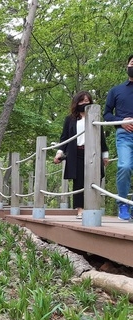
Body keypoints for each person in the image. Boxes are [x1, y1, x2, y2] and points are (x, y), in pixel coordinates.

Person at [53, 91, 109, 219]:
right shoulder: (70, 120)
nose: (84, 103)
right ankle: (80, 209)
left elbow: (102, 139)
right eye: (82, 101)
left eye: (87, 100)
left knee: (96, 178)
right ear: (76, 102)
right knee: (78, 181)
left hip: (93, 153)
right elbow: (64, 138)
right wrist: (59, 153)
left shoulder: (95, 118)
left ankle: (93, 208)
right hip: (76, 152)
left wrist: (105, 155)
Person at [104, 54, 133, 221]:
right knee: (124, 166)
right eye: (132, 62)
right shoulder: (116, 91)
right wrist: (121, 121)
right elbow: (107, 114)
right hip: (124, 135)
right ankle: (123, 203)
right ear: (127, 66)